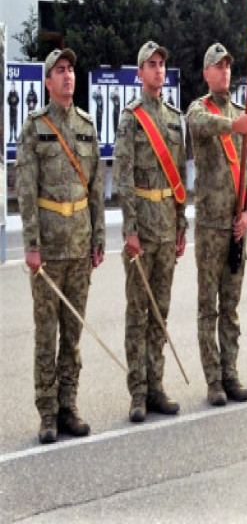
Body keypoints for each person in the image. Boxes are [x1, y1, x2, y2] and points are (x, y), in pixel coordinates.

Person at [17, 48, 105, 444]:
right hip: (49, 252)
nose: (68, 75)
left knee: (72, 336)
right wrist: (32, 246)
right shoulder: (34, 127)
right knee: (45, 334)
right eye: (60, 70)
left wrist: (99, 238)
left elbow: (97, 189)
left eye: (71, 69)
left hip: (80, 248)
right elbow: (25, 190)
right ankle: (47, 413)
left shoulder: (87, 125)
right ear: (48, 82)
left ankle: (69, 406)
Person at [113, 41, 187, 422]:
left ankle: (157, 387)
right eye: (151, 65)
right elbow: (122, 178)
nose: (158, 70)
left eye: (161, 64)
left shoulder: (175, 119)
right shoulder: (130, 117)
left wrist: (181, 227)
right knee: (137, 313)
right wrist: (130, 230)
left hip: (166, 227)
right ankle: (137, 393)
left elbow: (180, 179)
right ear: (139, 72)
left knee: (160, 313)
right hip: (141, 229)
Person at [186, 43, 247, 407]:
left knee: (230, 308)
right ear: (206, 73)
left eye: (228, 66)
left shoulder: (244, 113)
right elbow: (199, 125)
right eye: (218, 65)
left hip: (236, 227)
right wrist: (235, 126)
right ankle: (213, 381)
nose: (225, 71)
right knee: (207, 307)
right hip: (211, 228)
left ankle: (230, 373)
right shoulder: (201, 109)